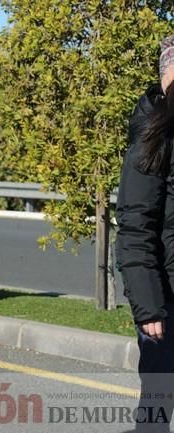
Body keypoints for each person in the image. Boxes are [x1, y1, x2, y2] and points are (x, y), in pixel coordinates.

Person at [116, 34, 174, 432]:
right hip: (166, 303)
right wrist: (150, 307)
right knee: (156, 411)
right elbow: (136, 223)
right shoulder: (154, 133)